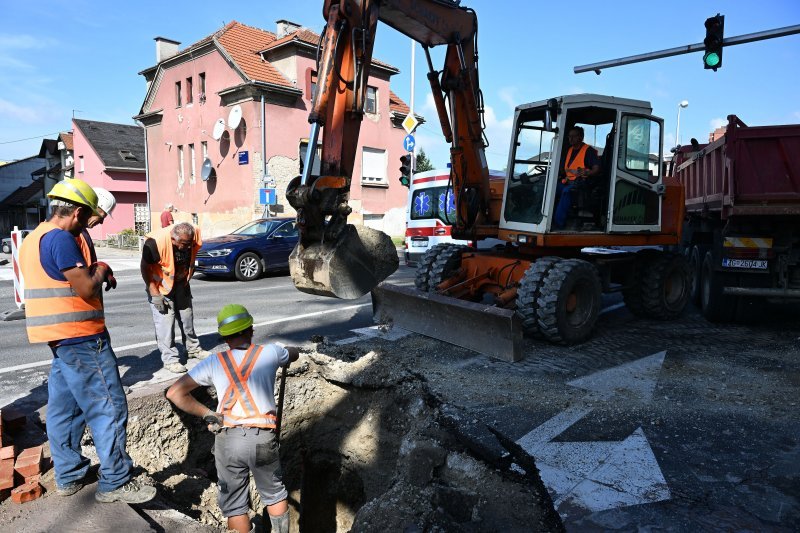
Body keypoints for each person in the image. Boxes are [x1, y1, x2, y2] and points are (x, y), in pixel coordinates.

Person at [19, 178, 155, 504]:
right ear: (77, 211)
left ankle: (69, 475)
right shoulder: (62, 239)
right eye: (88, 216)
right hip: (82, 339)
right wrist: (103, 267)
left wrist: (94, 270)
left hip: (60, 341)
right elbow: (85, 288)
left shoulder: (33, 237)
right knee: (108, 407)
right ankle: (116, 481)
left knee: (65, 410)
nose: (89, 223)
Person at [166, 304, 299, 533]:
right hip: (262, 438)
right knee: (275, 495)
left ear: (225, 338)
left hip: (228, 440)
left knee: (236, 507)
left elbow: (174, 393)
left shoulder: (214, 362)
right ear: (251, 329)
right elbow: (293, 353)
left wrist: (208, 414)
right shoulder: (271, 353)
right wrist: (288, 351)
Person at [141, 222, 209, 373]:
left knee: (187, 318)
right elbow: (144, 267)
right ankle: (170, 360)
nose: (186, 247)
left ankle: (192, 349)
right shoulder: (154, 243)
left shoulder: (193, 234)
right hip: (161, 288)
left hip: (181, 283)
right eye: (183, 244)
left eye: (189, 243)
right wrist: (154, 292)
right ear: (173, 238)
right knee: (166, 324)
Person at [554, 126, 601, 229]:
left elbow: (596, 169)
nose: (570, 139)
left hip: (582, 182)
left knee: (567, 192)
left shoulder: (589, 151)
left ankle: (558, 224)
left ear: (580, 137)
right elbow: (564, 169)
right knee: (550, 188)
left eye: (573, 136)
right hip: (567, 181)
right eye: (569, 136)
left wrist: (587, 173)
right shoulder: (569, 151)